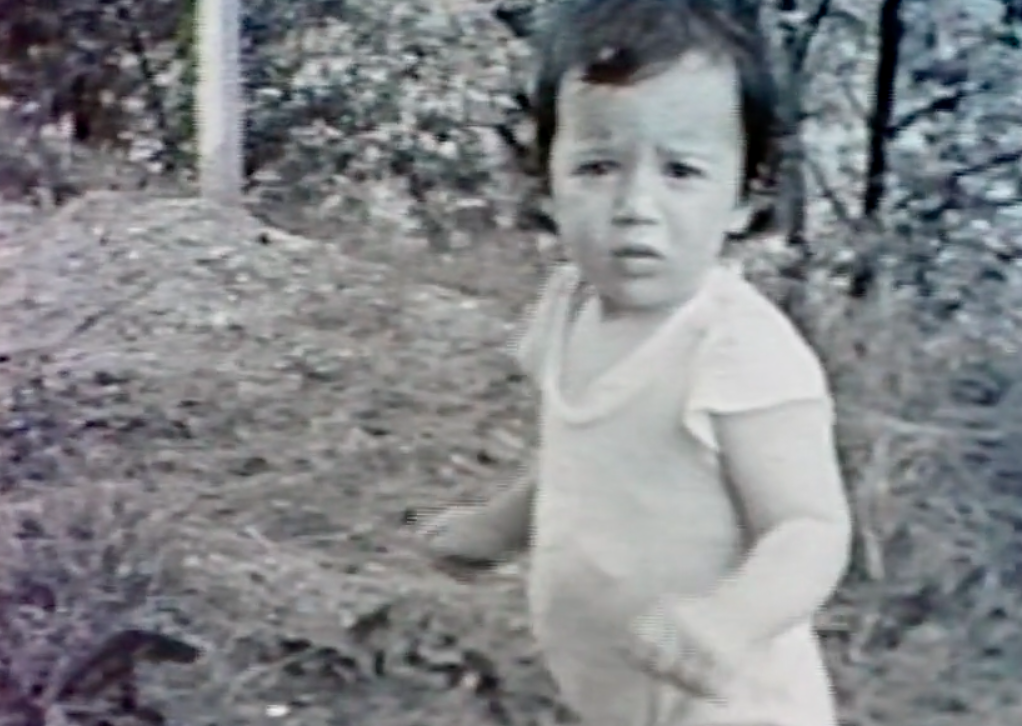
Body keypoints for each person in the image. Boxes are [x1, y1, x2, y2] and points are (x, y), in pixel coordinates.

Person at [417, 1, 853, 724]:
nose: (635, 206)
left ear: (746, 197)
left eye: (681, 170)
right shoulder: (569, 305)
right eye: (597, 166)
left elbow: (810, 528)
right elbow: (584, 461)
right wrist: (498, 526)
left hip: (725, 703)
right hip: (616, 687)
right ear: (545, 177)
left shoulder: (739, 349)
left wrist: (728, 620)